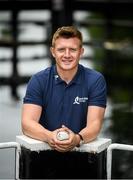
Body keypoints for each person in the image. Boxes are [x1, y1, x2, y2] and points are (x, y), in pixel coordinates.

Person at [21, 26, 107, 152]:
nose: (67, 55)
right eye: (61, 49)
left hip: (82, 155)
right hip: (43, 155)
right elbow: (27, 123)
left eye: (72, 49)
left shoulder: (95, 80)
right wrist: (50, 136)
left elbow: (95, 124)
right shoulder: (38, 80)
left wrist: (77, 139)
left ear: (81, 52)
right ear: (53, 52)